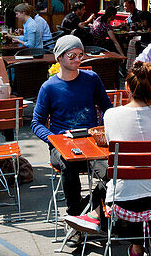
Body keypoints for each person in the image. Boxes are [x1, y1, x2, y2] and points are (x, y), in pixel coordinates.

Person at [102, 62, 151, 256]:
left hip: (125, 199)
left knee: (106, 178)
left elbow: (111, 143)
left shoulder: (111, 115)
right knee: (141, 182)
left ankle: (132, 243)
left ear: (127, 87)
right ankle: (139, 245)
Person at [31, 35, 111, 217]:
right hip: (63, 145)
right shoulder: (49, 87)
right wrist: (55, 140)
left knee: (113, 172)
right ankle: (76, 215)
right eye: (71, 55)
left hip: (92, 142)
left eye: (80, 55)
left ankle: (80, 212)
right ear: (59, 57)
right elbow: (36, 123)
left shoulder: (91, 78)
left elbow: (108, 108)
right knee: (69, 166)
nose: (77, 59)